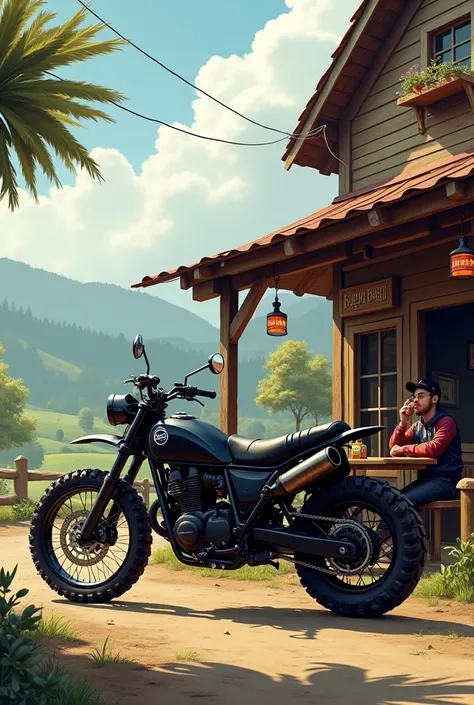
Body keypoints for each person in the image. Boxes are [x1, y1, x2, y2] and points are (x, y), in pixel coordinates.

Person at [389, 378, 463, 509]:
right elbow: (394, 447)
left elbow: (433, 449)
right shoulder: (417, 425)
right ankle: (383, 530)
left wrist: (403, 449)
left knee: (402, 502)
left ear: (434, 399)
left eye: (421, 396)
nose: (415, 400)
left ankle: (382, 530)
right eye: (414, 396)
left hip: (446, 481)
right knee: (393, 500)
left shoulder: (446, 422)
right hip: (425, 480)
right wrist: (403, 423)